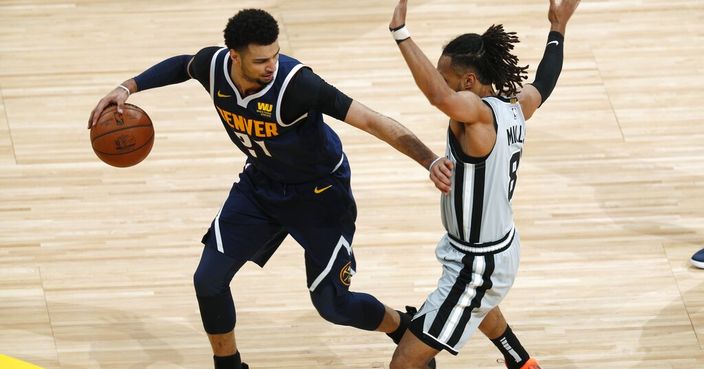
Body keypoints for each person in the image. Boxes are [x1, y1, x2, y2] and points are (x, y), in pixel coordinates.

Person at [88, 9, 451, 369]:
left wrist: (431, 160)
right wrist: (127, 87)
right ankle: (228, 365)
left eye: (275, 55)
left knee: (332, 305)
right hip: (261, 185)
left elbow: (372, 120)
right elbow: (184, 64)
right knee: (208, 281)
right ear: (234, 56)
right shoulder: (213, 68)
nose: (271, 65)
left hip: (320, 195)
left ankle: (403, 325)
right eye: (261, 60)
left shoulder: (297, 85)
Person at [386, 0, 580, 368]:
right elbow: (546, 80)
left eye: (448, 78)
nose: (444, 87)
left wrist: (401, 34)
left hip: (479, 260)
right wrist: (558, 27)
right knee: (479, 302)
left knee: (404, 363)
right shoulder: (516, 105)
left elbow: (436, 97)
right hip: (491, 248)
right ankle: (521, 362)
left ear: (468, 82)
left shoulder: (477, 116)